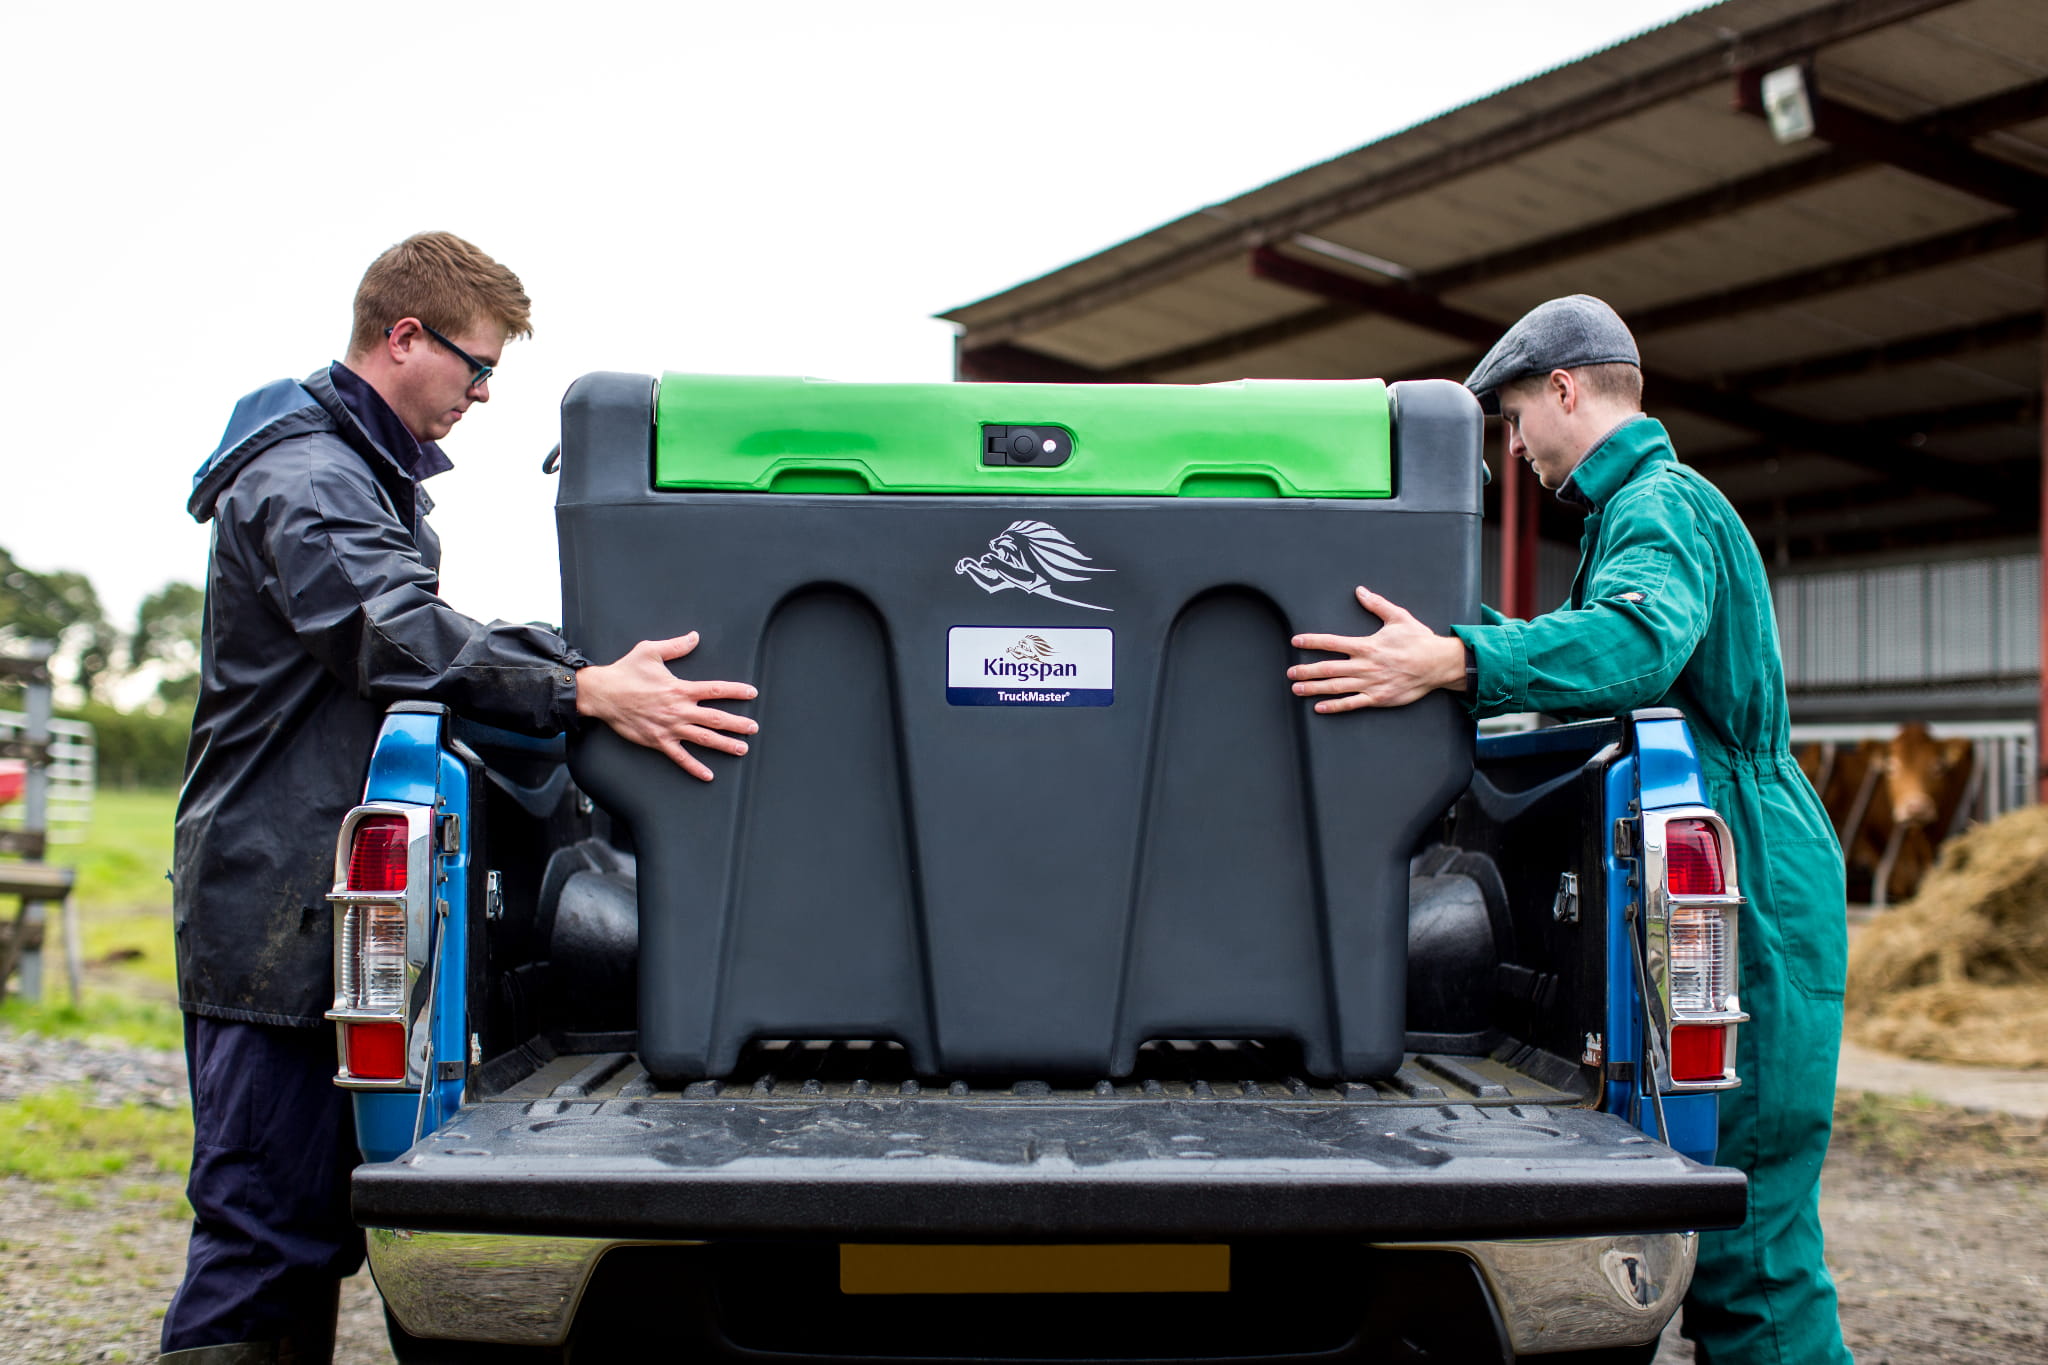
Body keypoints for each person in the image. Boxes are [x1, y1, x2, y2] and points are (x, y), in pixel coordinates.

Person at [162, 232, 759, 1364]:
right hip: (274, 901)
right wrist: (582, 688)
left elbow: (420, 627)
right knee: (261, 1232)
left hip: (312, 899)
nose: (483, 393)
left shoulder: (352, 474)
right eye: (476, 365)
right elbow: (390, 630)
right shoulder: (309, 480)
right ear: (404, 338)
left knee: (306, 1229)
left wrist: (563, 658)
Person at [1286, 295, 1849, 1365]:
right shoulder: (1631, 514)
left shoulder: (1660, 503)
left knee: (1755, 1253)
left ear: (1563, 389)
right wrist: (1443, 638)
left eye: (1511, 419)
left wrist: (1459, 661)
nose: (1512, 447)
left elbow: (1636, 644)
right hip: (1730, 847)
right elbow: (1589, 643)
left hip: (1756, 870)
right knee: (1728, 1236)